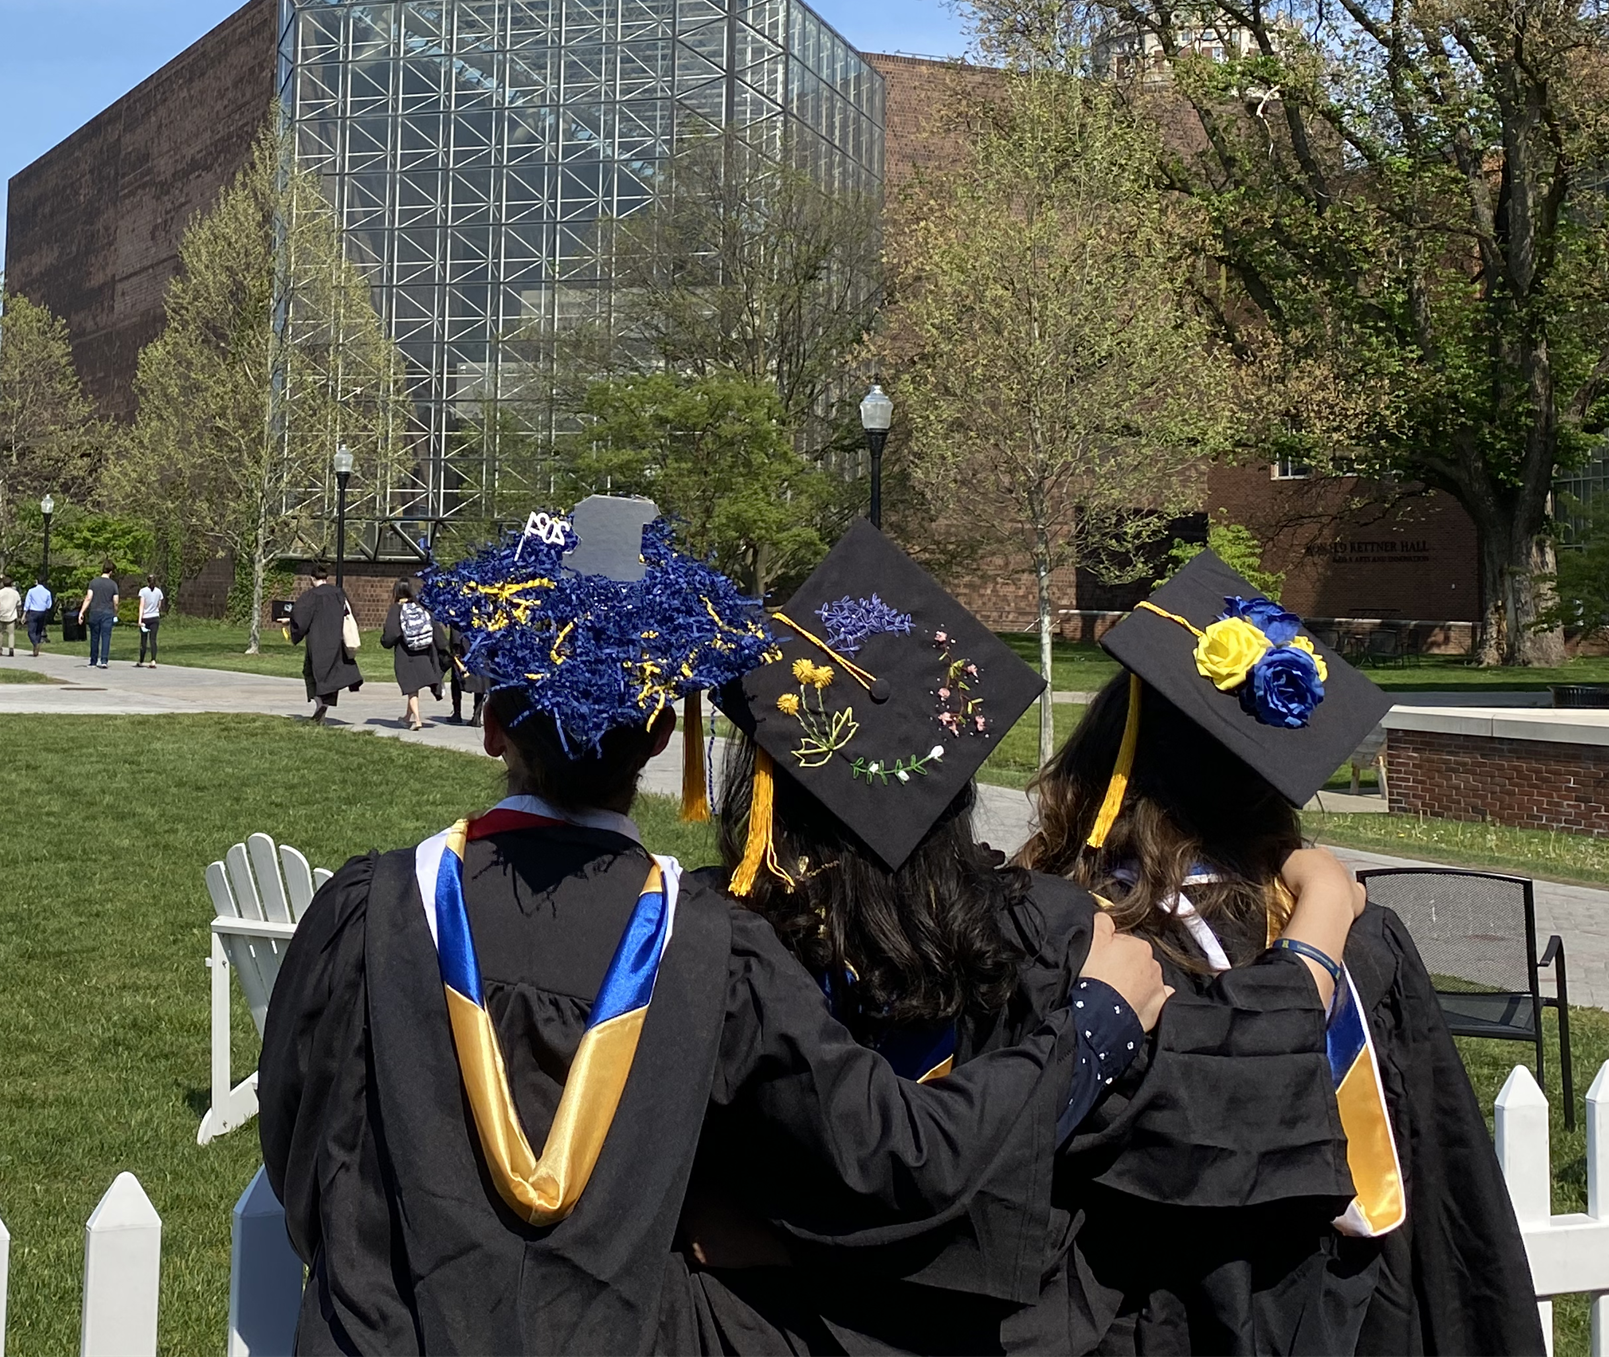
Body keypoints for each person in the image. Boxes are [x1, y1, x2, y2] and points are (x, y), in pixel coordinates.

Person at [260, 496, 1168, 1357]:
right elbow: (900, 1153)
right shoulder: (709, 949)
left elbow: (301, 1148)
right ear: (663, 739)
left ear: (492, 724)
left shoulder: (367, 910)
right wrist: (1094, 1027)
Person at [696, 520, 1363, 1356]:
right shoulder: (1046, 936)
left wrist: (773, 1236)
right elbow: (1225, 1084)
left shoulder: (707, 942)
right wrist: (1316, 938)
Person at [1021, 551, 1544, 1357]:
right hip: (1334, 1312)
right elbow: (1447, 1202)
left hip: (1119, 1319)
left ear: (1108, 761)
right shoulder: (1351, 935)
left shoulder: (1063, 935)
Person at [283, 562, 362, 722]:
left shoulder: (310, 597)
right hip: (336, 641)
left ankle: (320, 704)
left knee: (311, 673)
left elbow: (300, 620)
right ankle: (324, 707)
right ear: (326, 578)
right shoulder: (339, 594)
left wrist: (289, 623)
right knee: (331, 674)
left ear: (312, 578)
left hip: (317, 643)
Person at [379, 576, 444, 728]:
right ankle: (407, 717)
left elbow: (392, 633)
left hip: (405, 652)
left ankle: (417, 719)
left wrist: (384, 641)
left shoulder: (397, 608)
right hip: (422, 651)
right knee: (413, 688)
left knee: (411, 687)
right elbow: (433, 625)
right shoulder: (419, 606)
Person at [82, 562, 121, 668]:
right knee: (106, 636)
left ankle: (93, 661)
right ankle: (104, 660)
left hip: (95, 612)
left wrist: (82, 612)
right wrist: (115, 613)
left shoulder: (93, 582)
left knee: (94, 637)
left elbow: (88, 597)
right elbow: (115, 601)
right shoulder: (113, 584)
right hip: (107, 613)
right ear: (111, 572)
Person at [135, 574, 165, 667]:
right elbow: (159, 605)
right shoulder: (158, 592)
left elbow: (142, 606)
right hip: (155, 617)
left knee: (143, 640)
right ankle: (153, 660)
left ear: (147, 581)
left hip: (145, 618)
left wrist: (139, 620)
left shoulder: (143, 591)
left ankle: (141, 660)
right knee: (153, 639)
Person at [23, 575, 53, 655]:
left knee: (31, 631)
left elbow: (27, 603)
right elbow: (49, 604)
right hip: (42, 612)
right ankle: (36, 646)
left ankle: (35, 644)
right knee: (39, 631)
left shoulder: (31, 591)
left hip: (33, 611)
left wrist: (24, 614)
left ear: (37, 581)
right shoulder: (47, 592)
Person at [0, 577, 24, 655]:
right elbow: (19, 604)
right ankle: (11, 648)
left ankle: (0, 649)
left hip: (1, 615)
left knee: (0, 633)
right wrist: (19, 614)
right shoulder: (15, 593)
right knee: (11, 633)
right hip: (11, 615)